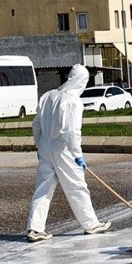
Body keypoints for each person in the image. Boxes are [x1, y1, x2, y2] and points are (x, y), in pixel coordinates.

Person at [26, 64, 111, 242]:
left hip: (45, 145)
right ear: (82, 81)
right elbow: (71, 132)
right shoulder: (73, 101)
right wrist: (77, 155)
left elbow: (36, 124)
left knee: (43, 188)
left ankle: (35, 228)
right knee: (76, 186)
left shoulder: (48, 96)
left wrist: (39, 146)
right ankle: (91, 224)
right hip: (63, 148)